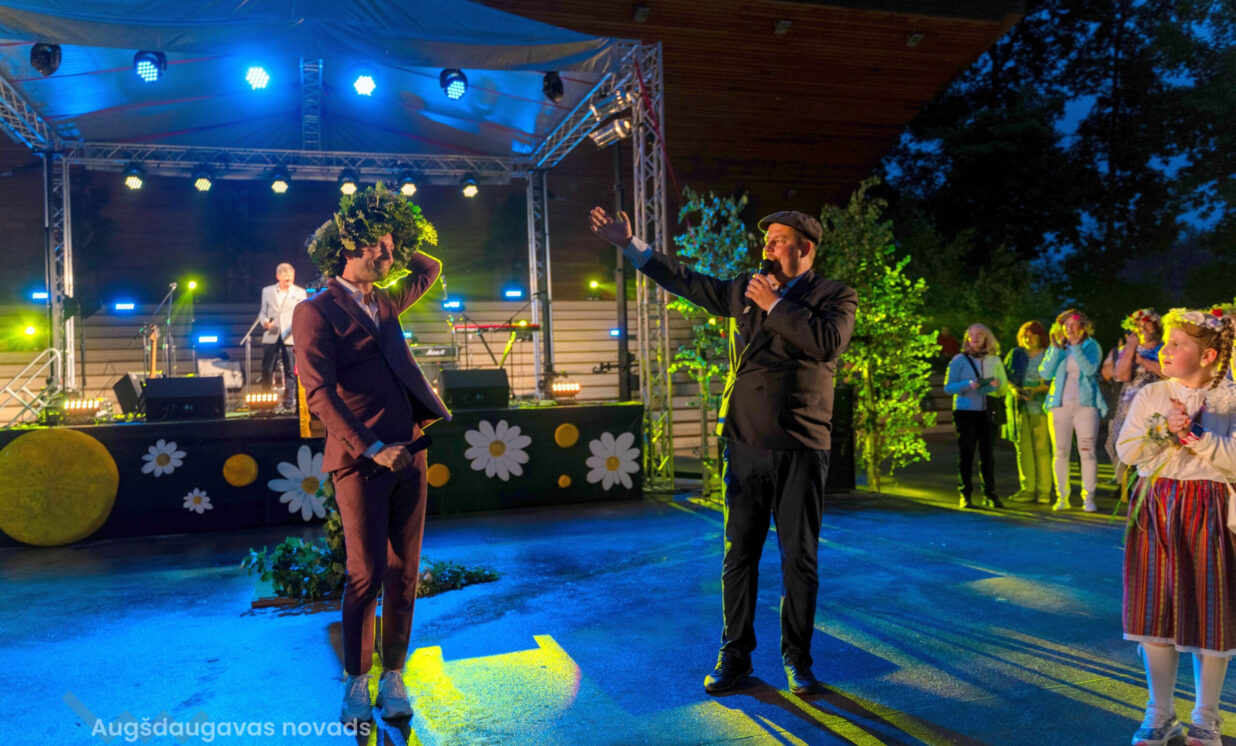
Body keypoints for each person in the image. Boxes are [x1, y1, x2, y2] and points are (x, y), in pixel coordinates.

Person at [589, 205, 857, 697]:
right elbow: (687, 281)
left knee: (799, 559)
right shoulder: (745, 287)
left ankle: (798, 660)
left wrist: (776, 305)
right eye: (767, 239)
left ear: (805, 247)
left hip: (801, 443)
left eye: (778, 239)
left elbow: (827, 342)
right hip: (746, 439)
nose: (767, 246)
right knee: (739, 554)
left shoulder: (834, 295)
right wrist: (630, 244)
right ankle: (735, 655)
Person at [292, 184, 449, 723]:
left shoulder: (384, 300)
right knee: (366, 573)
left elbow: (429, 269)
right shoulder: (315, 311)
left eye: (391, 245)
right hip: (361, 460)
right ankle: (357, 681)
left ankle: (394, 675)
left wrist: (395, 232)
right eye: (378, 246)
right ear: (347, 246)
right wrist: (372, 448)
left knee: (405, 571)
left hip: (411, 451)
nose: (388, 254)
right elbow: (319, 395)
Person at [1115, 307, 1236, 746]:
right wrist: (1161, 432)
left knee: (1210, 609)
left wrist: (1195, 437)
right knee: (1155, 608)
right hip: (1157, 506)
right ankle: (1160, 713)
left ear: (1207, 356)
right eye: (1166, 342)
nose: (1165, 350)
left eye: (1178, 344)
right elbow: (1127, 450)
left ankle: (1206, 716)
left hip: (1209, 507)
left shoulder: (1230, 398)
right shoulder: (1152, 394)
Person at [1040, 309, 1108, 512]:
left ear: (1083, 326)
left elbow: (1090, 369)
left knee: (1087, 452)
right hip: (1059, 406)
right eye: (1065, 325)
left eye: (1073, 324)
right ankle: (1062, 497)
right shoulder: (1057, 346)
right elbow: (1045, 373)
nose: (1069, 328)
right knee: (1060, 452)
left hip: (1085, 406)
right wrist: (1056, 350)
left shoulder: (1091, 345)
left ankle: (1088, 498)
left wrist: (1076, 348)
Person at [943, 324, 1008, 509]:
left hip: (987, 411)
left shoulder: (994, 360)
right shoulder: (959, 360)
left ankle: (990, 494)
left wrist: (996, 384)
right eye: (971, 334)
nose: (975, 337)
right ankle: (965, 494)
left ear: (987, 337)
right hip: (965, 411)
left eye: (979, 334)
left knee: (988, 455)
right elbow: (948, 387)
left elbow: (1003, 388)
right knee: (967, 454)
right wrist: (967, 384)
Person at [1105, 309, 1164, 486]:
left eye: (1147, 323)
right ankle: (1125, 488)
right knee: (1123, 443)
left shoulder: (1164, 348)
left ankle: (1149, 485)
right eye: (1138, 324)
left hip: (1156, 403)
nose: (1142, 327)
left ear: (1156, 326)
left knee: (1154, 443)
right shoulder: (1126, 349)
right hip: (1128, 404)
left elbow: (1169, 374)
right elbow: (1120, 376)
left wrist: (1144, 361)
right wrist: (1130, 348)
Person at [1004, 321, 1052, 504]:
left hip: (1041, 408)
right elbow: (1005, 377)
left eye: (1032, 335)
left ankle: (1044, 491)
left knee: (1042, 450)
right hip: (1020, 408)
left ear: (1040, 337)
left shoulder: (1049, 354)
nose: (1028, 339)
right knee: (1023, 449)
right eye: (1025, 335)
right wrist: (1013, 390)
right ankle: (1028, 489)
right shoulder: (1016, 354)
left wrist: (1036, 390)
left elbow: (1054, 381)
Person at [256, 262, 307, 407]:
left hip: (290, 334)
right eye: (286, 276)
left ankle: (289, 401)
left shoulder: (299, 292)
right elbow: (262, 313)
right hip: (272, 333)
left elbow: (303, 314)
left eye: (291, 276)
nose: (289, 279)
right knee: (267, 369)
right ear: (278, 276)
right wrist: (265, 322)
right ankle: (266, 402)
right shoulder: (268, 291)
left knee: (290, 369)